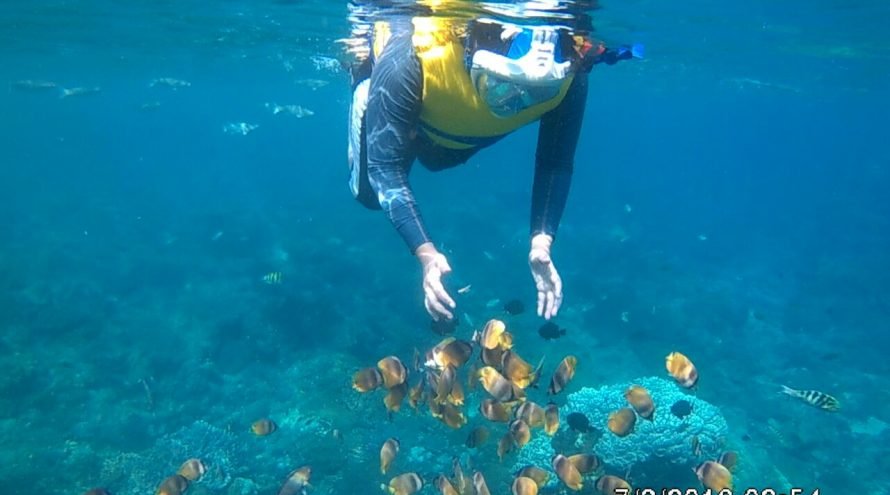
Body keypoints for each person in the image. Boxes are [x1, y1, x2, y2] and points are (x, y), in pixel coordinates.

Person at [346, 8, 641, 322]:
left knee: (437, 161)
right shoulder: (408, 57)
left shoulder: (569, 74)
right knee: (369, 195)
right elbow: (385, 169)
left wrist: (542, 242)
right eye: (499, 86)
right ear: (471, 57)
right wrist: (427, 255)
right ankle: (365, 85)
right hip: (414, 112)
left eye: (535, 94)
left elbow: (555, 163)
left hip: (454, 139)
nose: (514, 103)